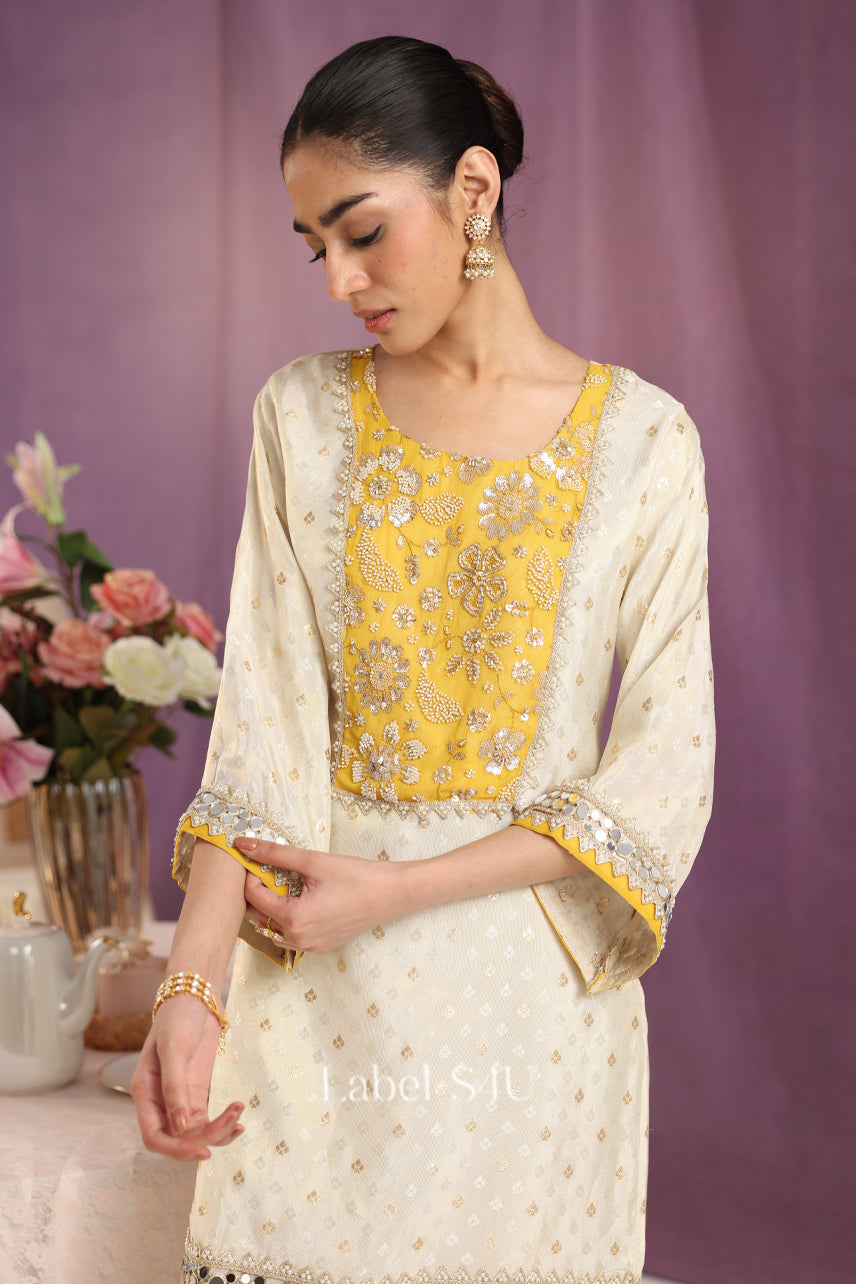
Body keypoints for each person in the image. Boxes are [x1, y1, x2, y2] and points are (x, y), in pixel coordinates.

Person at [131, 35, 714, 1284]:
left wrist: (393, 889)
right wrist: (192, 986)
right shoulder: (300, 415)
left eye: (361, 232)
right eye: (315, 249)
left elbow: (663, 769)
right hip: (311, 1005)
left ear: (473, 190)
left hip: (529, 1013)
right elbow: (263, 731)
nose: (340, 281)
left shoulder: (645, 446)